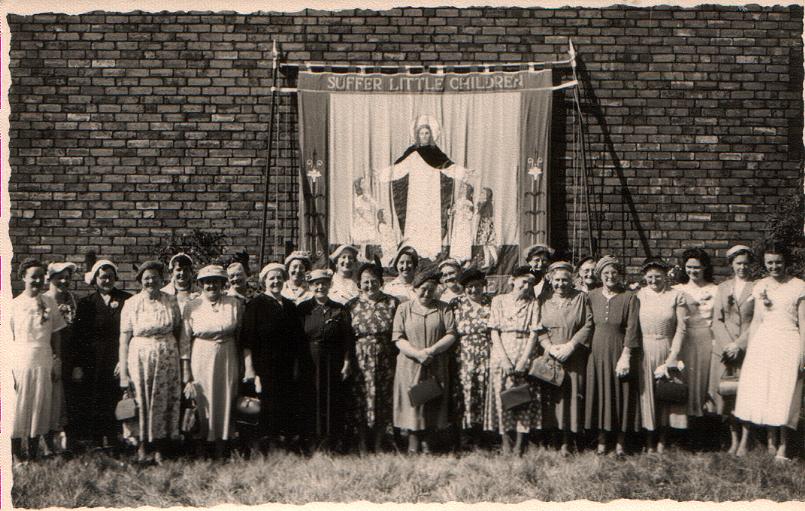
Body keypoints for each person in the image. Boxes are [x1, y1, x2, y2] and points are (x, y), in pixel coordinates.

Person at [735, 242, 805, 461]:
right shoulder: (761, 285)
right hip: (764, 342)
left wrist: (803, 352)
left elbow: (803, 322)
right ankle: (771, 442)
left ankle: (783, 446)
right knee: (765, 392)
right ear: (764, 264)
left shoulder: (799, 286)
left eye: (778, 262)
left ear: (786, 263)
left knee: (784, 393)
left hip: (788, 341)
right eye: (770, 263)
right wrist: (750, 348)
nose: (774, 266)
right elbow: (756, 321)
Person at [375, 115, 472, 259]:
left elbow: (448, 168)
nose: (424, 136)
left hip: (432, 193)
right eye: (421, 133)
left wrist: (464, 172)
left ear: (431, 135)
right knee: (416, 219)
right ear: (417, 135)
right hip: (416, 192)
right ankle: (415, 251)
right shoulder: (412, 152)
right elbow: (399, 168)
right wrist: (382, 173)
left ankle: (431, 252)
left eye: (427, 133)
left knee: (431, 219)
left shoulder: (436, 153)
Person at [118, 260, 184, 465]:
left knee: (164, 400)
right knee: (141, 399)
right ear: (140, 281)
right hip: (140, 358)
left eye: (155, 277)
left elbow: (178, 331)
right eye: (146, 278)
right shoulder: (132, 303)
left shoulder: (171, 301)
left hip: (167, 357)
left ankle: (160, 447)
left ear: (161, 279)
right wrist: (123, 372)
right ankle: (141, 447)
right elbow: (124, 339)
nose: (151, 281)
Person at [241, 263, 308, 449]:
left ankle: (283, 444)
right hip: (264, 367)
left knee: (284, 405)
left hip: (285, 367)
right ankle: (263, 447)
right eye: (271, 278)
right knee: (265, 405)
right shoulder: (255, 305)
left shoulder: (289, 306)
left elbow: (297, 341)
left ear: (284, 279)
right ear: (264, 281)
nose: (276, 281)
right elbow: (247, 342)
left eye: (279, 277)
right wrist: (250, 370)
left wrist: (295, 366)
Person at [392, 270, 458, 454]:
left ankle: (429, 442)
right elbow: (398, 338)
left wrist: (431, 351)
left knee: (432, 400)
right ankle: (413, 442)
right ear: (414, 289)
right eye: (423, 289)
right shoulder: (403, 309)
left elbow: (451, 334)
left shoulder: (444, 308)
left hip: (435, 361)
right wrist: (417, 353)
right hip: (410, 363)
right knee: (413, 401)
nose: (427, 293)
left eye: (431, 290)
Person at [181, 265, 242, 459]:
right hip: (201, 357)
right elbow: (184, 341)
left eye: (216, 281)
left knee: (225, 398)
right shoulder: (192, 306)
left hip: (227, 356)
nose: (211, 285)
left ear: (223, 283)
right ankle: (200, 447)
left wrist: (241, 363)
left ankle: (221, 446)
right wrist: (186, 374)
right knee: (202, 400)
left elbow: (241, 335)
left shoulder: (234, 304)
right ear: (200, 284)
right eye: (207, 282)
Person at [11, 258, 67, 463]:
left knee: (39, 406)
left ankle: (33, 455)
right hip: (20, 360)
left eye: (40, 277)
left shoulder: (49, 302)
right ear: (23, 277)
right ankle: (17, 456)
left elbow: (56, 335)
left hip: (44, 358)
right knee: (18, 407)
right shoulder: (14, 304)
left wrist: (56, 361)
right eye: (33, 276)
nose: (37, 281)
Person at [584, 256, 641, 456]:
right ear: (600, 275)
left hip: (619, 350)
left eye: (614, 272)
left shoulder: (629, 297)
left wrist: (626, 355)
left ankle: (620, 443)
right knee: (599, 393)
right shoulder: (591, 296)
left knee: (620, 394)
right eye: (606, 273)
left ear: (620, 274)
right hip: (597, 352)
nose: (610, 276)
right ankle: (601, 441)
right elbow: (587, 325)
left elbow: (632, 329)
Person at [73, 257, 132, 449]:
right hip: (93, 359)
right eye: (102, 277)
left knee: (115, 397)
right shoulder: (86, 303)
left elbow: (132, 333)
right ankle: (96, 441)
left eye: (110, 277)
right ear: (95, 280)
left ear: (115, 277)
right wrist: (79, 365)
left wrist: (124, 361)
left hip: (117, 357)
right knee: (95, 398)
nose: (106, 281)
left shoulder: (126, 300)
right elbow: (79, 338)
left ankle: (115, 440)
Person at [485, 265, 542, 456]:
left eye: (530, 283)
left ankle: (520, 443)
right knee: (503, 398)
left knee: (521, 398)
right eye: (523, 281)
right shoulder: (499, 301)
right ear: (513, 280)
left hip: (524, 350)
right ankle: (505, 442)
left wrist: (523, 360)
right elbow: (494, 331)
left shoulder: (533, 304)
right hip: (502, 353)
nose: (526, 286)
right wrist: (504, 359)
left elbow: (534, 334)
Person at [538, 261, 593, 456]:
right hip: (551, 353)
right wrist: (549, 347)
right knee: (552, 397)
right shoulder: (542, 300)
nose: (560, 284)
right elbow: (538, 328)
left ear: (572, 281)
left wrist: (571, 346)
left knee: (571, 396)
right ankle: (552, 438)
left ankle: (568, 441)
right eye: (557, 280)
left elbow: (588, 325)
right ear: (550, 280)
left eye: (565, 280)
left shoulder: (581, 298)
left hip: (573, 355)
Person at [296, 269, 354, 451]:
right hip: (309, 361)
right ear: (310, 285)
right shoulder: (303, 309)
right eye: (315, 283)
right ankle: (311, 441)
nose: (320, 286)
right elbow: (296, 340)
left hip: (333, 360)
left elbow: (347, 339)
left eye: (324, 283)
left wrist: (346, 362)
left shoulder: (340, 309)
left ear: (330, 285)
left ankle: (331, 441)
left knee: (332, 398)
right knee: (310, 398)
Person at [637, 257, 688, 453]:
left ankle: (662, 441)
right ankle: (648, 440)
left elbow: (681, 329)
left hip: (666, 346)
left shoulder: (676, 295)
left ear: (665, 276)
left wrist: (673, 356)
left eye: (658, 276)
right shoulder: (639, 295)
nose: (654, 280)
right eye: (650, 277)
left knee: (665, 394)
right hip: (644, 349)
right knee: (647, 395)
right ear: (644, 277)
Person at [707, 245, 755, 454]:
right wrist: (728, 345)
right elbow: (716, 320)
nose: (742, 268)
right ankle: (733, 439)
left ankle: (745, 440)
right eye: (738, 264)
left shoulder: (758, 287)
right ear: (731, 265)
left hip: (748, 349)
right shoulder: (723, 288)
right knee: (726, 395)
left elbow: (758, 321)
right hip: (725, 351)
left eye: (745, 263)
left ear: (751, 265)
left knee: (745, 394)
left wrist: (740, 345)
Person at [348, 263, 400, 453]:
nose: (370, 286)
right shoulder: (351, 305)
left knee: (383, 399)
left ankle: (379, 442)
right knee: (361, 399)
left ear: (381, 282)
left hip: (386, 357)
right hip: (359, 359)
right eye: (365, 282)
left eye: (374, 281)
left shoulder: (393, 303)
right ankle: (361, 442)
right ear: (359, 285)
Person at [673, 248, 718, 436]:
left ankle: (703, 426)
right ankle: (682, 427)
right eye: (689, 267)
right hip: (684, 340)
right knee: (685, 380)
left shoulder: (716, 290)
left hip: (707, 339)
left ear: (705, 267)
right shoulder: (678, 290)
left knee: (704, 380)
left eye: (697, 267)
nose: (693, 271)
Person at [451, 268, 492, 448]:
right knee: (465, 394)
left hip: (487, 354)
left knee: (484, 393)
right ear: (463, 288)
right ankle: (463, 436)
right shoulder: (455, 304)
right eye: (469, 287)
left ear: (483, 286)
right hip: (463, 356)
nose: (473, 290)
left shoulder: (491, 302)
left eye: (477, 286)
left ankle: (483, 436)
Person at [43, 262, 78, 453]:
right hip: (49, 355)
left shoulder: (73, 300)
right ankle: (48, 445)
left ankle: (67, 443)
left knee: (68, 399)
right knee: (49, 399)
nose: (64, 281)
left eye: (67, 277)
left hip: (70, 356)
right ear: (49, 278)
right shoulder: (44, 301)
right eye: (59, 277)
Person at [448, 182, 475, 263]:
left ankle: (466, 259)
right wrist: (451, 211)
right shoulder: (458, 201)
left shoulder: (468, 203)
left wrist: (466, 211)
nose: (462, 190)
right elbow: (453, 210)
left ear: (468, 191)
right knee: (457, 240)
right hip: (457, 224)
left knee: (464, 240)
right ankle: (457, 257)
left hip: (464, 225)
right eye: (462, 188)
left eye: (464, 189)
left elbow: (470, 215)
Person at [473, 187, 497, 271]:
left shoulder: (485, 203)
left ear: (487, 195)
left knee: (488, 244)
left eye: (483, 193)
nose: (481, 194)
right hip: (486, 224)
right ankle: (489, 262)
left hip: (485, 224)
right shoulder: (488, 203)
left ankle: (495, 260)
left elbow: (480, 214)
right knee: (486, 245)